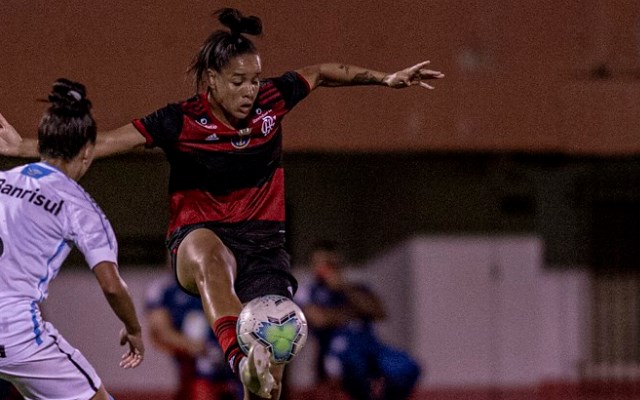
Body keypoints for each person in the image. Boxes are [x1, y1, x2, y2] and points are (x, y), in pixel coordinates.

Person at [0, 7, 443, 400]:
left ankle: (253, 371)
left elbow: (324, 72)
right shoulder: (179, 120)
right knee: (212, 261)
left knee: (271, 364)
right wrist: (25, 146)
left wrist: (385, 78)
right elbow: (105, 142)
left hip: (264, 245)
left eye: (254, 79)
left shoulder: (274, 99)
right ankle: (237, 357)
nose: (251, 90)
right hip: (197, 235)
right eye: (239, 82)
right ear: (212, 81)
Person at [0, 79, 145, 400]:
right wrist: (133, 327)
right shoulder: (80, 207)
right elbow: (111, 284)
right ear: (88, 151)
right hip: (17, 336)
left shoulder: (3, 180)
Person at [298, 240, 422, 400]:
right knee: (353, 366)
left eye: (329, 263)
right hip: (338, 353)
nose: (324, 268)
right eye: (318, 263)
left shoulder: (356, 288)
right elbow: (319, 320)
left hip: (371, 347)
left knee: (407, 367)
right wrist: (355, 312)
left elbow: (378, 312)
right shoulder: (308, 292)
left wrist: (343, 288)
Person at [145, 271, 241, 400]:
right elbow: (160, 333)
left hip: (234, 365)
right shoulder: (163, 289)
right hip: (195, 371)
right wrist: (193, 346)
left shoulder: (226, 281)